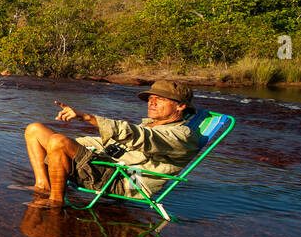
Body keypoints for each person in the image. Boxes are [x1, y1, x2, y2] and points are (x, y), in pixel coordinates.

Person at [22, 80, 202, 209]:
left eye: (160, 99)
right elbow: (113, 145)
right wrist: (75, 144)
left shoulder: (182, 135)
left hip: (127, 180)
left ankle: (55, 203)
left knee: (58, 142)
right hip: (108, 165)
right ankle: (43, 186)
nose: (152, 102)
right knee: (34, 130)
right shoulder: (149, 124)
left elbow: (140, 137)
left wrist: (87, 118)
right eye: (150, 98)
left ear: (180, 106)